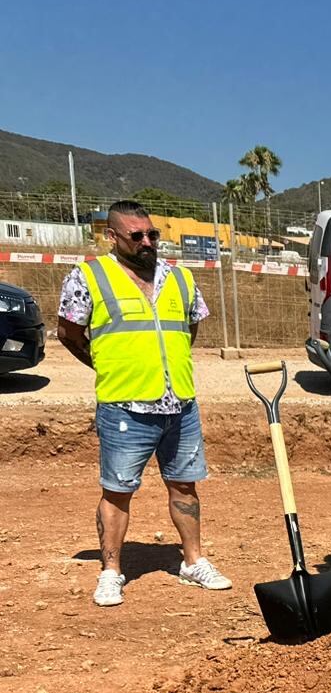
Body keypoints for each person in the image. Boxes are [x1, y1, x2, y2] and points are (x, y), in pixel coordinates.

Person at [56, 199, 231, 607]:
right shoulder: (89, 276)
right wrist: (106, 364)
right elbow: (69, 332)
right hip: (124, 405)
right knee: (117, 491)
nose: (147, 242)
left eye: (152, 234)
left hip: (180, 403)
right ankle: (111, 571)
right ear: (112, 236)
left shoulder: (180, 277)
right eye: (136, 236)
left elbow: (190, 327)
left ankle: (193, 562)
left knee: (184, 485)